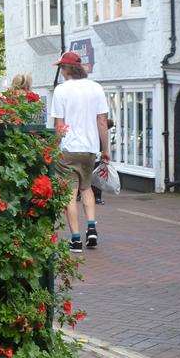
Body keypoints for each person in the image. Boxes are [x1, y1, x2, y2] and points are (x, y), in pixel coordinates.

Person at [50, 51, 110, 253]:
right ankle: (91, 229)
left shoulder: (61, 91)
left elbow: (59, 124)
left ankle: (75, 239)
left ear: (66, 69)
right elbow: (102, 121)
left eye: (61, 67)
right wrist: (105, 150)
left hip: (68, 149)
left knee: (69, 194)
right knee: (86, 188)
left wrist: (52, 148)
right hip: (90, 149)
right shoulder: (96, 88)